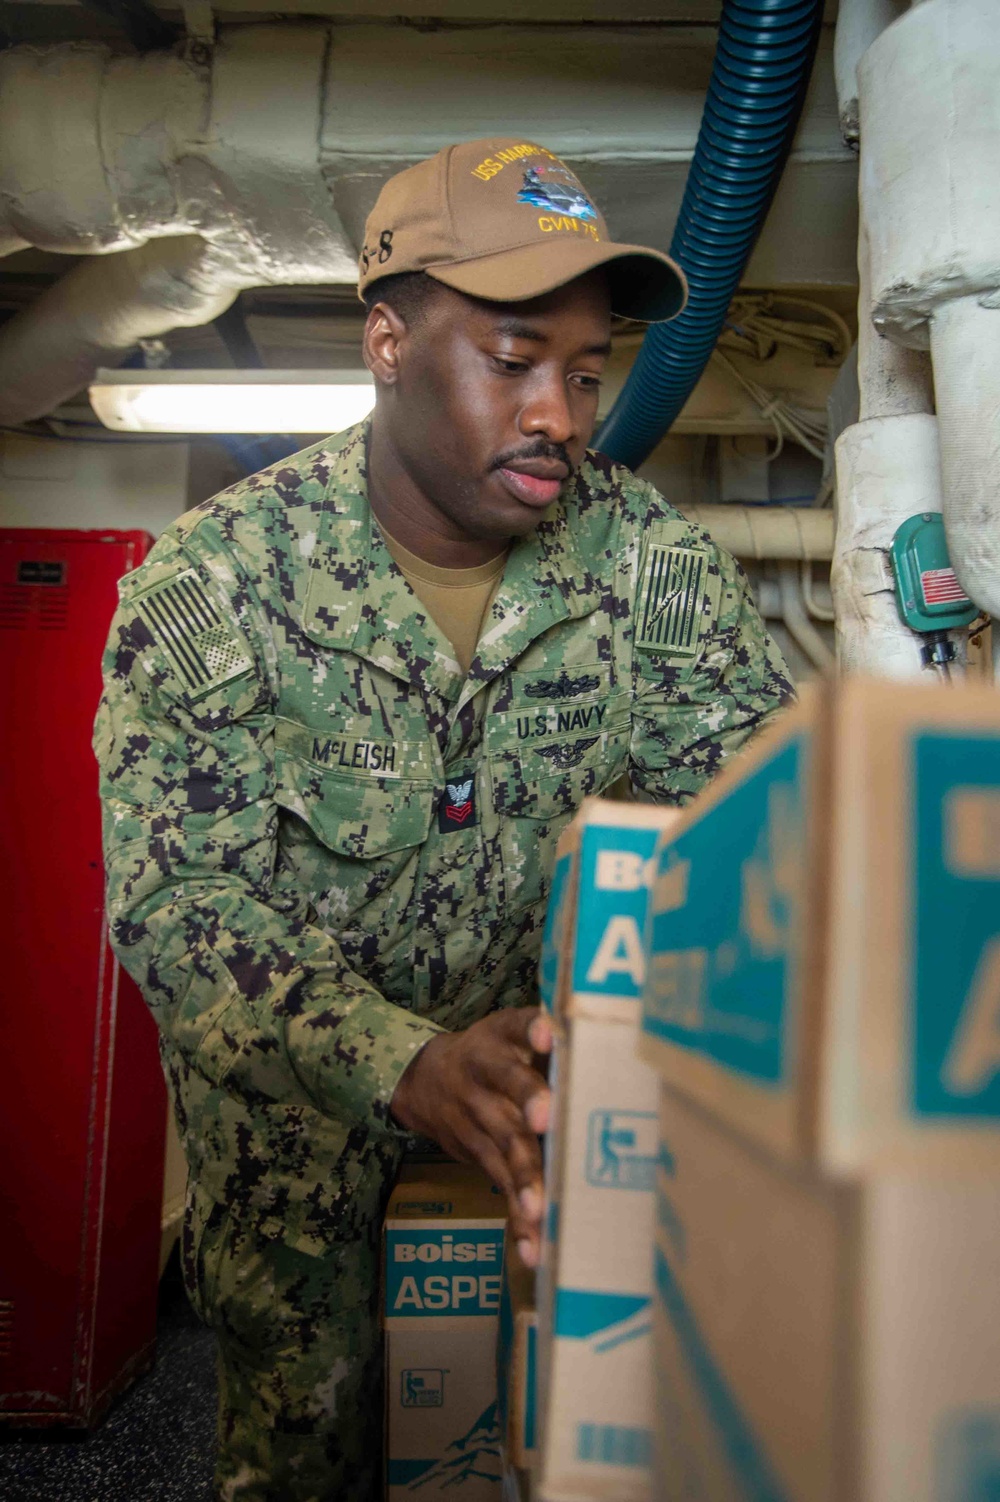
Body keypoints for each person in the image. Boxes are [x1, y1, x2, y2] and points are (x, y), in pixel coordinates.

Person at [94, 136, 793, 1502]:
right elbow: (179, 908)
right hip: (300, 1182)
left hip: (548, 1143)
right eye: (516, 359)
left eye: (588, 374)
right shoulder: (220, 586)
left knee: (538, 1465)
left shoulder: (647, 567)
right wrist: (402, 1059)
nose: (563, 416)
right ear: (389, 342)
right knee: (310, 1466)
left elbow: (763, 808)